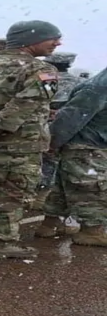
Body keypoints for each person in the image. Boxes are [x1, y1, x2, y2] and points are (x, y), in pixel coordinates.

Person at [0, 20, 62, 259]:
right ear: (33, 40)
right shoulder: (44, 71)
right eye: (53, 38)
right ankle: (2, 242)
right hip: (17, 146)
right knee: (10, 194)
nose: (58, 43)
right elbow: (22, 109)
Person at [45, 66, 107, 246]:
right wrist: (52, 142)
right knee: (92, 188)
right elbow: (70, 117)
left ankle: (49, 224)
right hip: (88, 146)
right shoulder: (99, 87)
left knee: (64, 187)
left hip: (89, 145)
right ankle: (91, 231)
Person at [33, 52, 85, 233]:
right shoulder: (77, 82)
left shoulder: (45, 78)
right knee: (55, 162)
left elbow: (39, 99)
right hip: (63, 125)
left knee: (42, 160)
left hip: (40, 122)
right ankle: (45, 197)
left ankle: (39, 194)